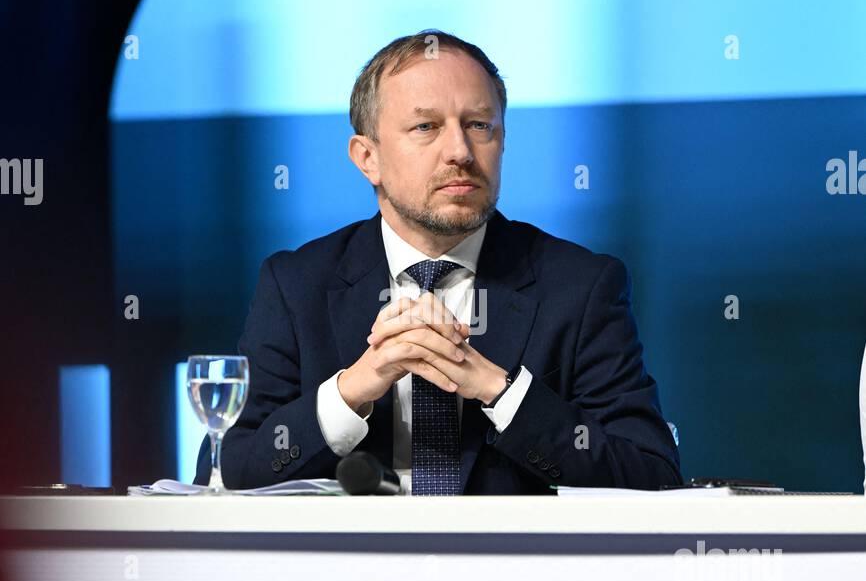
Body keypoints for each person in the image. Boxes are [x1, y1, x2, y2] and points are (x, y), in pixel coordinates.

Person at [195, 30, 681, 494]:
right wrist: (352, 390)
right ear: (368, 158)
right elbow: (230, 473)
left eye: (479, 125)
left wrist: (499, 390)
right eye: (426, 127)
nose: (460, 152)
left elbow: (651, 474)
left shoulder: (581, 286)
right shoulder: (296, 284)